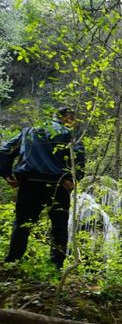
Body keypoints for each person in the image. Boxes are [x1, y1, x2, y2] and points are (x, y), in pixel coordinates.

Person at [0, 106, 85, 268]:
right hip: (57, 184)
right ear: (67, 116)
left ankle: (12, 263)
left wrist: (6, 174)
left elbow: (4, 151)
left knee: (22, 224)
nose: (74, 123)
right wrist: (74, 178)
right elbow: (78, 156)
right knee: (59, 227)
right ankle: (55, 267)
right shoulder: (67, 134)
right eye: (73, 118)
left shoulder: (30, 130)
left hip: (29, 183)